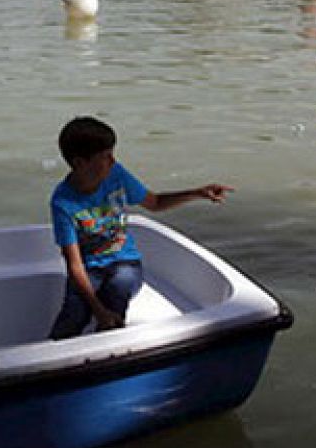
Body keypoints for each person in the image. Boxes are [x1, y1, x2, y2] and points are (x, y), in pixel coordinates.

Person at [47, 116, 233, 339]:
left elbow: (154, 202)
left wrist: (197, 193)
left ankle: (106, 350)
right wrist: (97, 309)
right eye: (105, 157)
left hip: (124, 260)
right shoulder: (63, 203)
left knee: (117, 290)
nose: (113, 161)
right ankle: (50, 359)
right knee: (75, 313)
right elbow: (74, 264)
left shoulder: (116, 176)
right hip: (89, 267)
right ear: (79, 163)